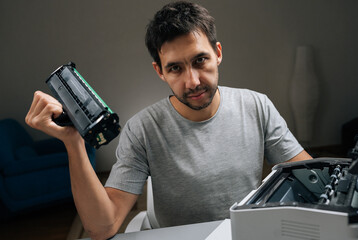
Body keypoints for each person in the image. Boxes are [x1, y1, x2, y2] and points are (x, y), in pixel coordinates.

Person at [25, 1, 312, 239]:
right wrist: (73, 141)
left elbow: (310, 177)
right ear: (160, 71)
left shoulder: (256, 105)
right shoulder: (143, 129)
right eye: (175, 68)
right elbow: (103, 226)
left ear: (218, 54)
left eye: (200, 60)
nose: (193, 81)